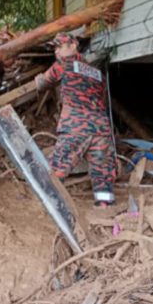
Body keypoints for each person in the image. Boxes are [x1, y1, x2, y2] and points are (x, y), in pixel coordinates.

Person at [36, 32, 117, 208]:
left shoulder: (64, 64)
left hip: (76, 125)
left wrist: (38, 80)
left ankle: (48, 206)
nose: (56, 52)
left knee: (59, 165)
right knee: (102, 169)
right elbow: (101, 98)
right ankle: (104, 206)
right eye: (55, 48)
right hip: (100, 127)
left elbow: (43, 83)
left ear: (73, 46)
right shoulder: (97, 73)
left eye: (60, 46)